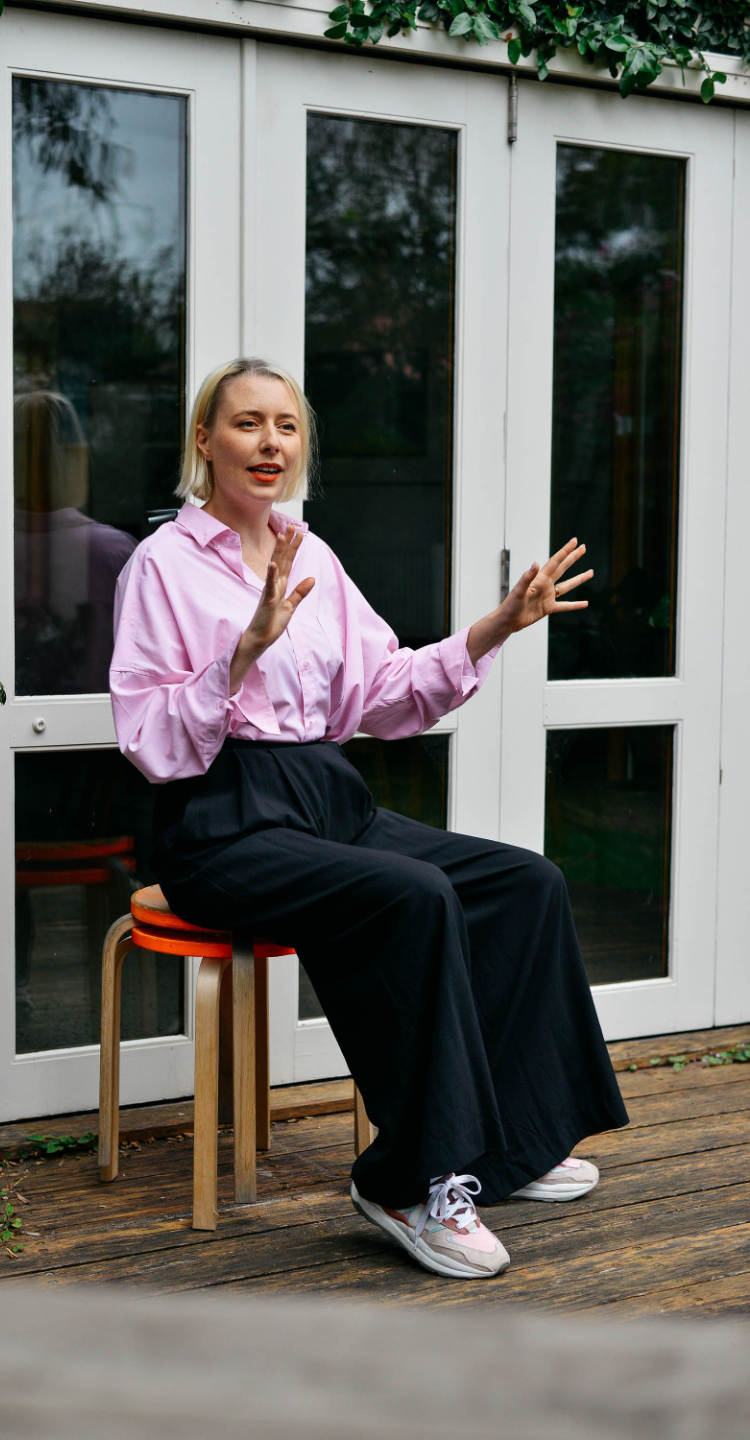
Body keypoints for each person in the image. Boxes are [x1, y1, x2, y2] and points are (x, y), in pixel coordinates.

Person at [109, 357, 629, 1281]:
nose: (270, 443)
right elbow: (149, 737)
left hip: (324, 797)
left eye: (287, 426)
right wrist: (240, 656)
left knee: (526, 883)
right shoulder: (162, 565)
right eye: (246, 423)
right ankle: (408, 1183)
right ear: (204, 441)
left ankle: (510, 1144)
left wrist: (495, 627)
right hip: (220, 822)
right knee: (412, 895)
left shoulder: (313, 554)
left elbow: (384, 692)